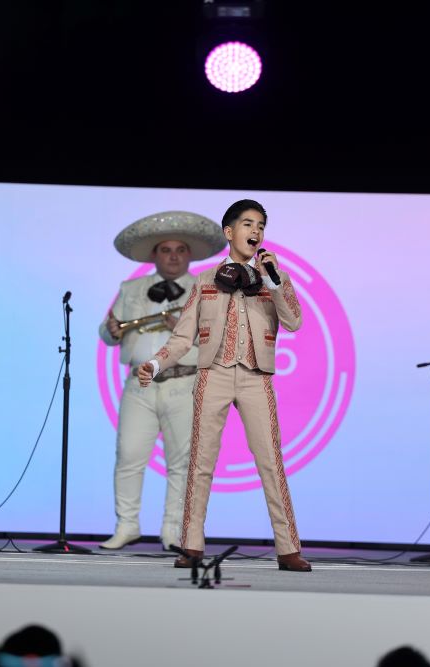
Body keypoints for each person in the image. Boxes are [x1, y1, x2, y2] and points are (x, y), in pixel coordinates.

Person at [138, 199, 312, 572]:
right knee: (200, 463)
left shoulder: (273, 276)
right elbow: (184, 337)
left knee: (270, 462)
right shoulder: (204, 280)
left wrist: (273, 279)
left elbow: (295, 321)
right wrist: (155, 363)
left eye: (261, 226)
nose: (256, 231)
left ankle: (288, 548)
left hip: (255, 377)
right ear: (229, 232)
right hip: (212, 374)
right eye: (248, 224)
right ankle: (192, 545)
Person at [99, 211, 226, 550]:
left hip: (183, 383)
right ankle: (126, 525)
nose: (172, 256)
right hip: (140, 384)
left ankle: (173, 531)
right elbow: (107, 332)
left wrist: (180, 329)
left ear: (189, 255)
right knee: (128, 455)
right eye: (165, 249)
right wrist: (111, 330)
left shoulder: (209, 290)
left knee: (181, 463)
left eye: (179, 249)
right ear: (155, 255)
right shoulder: (131, 288)